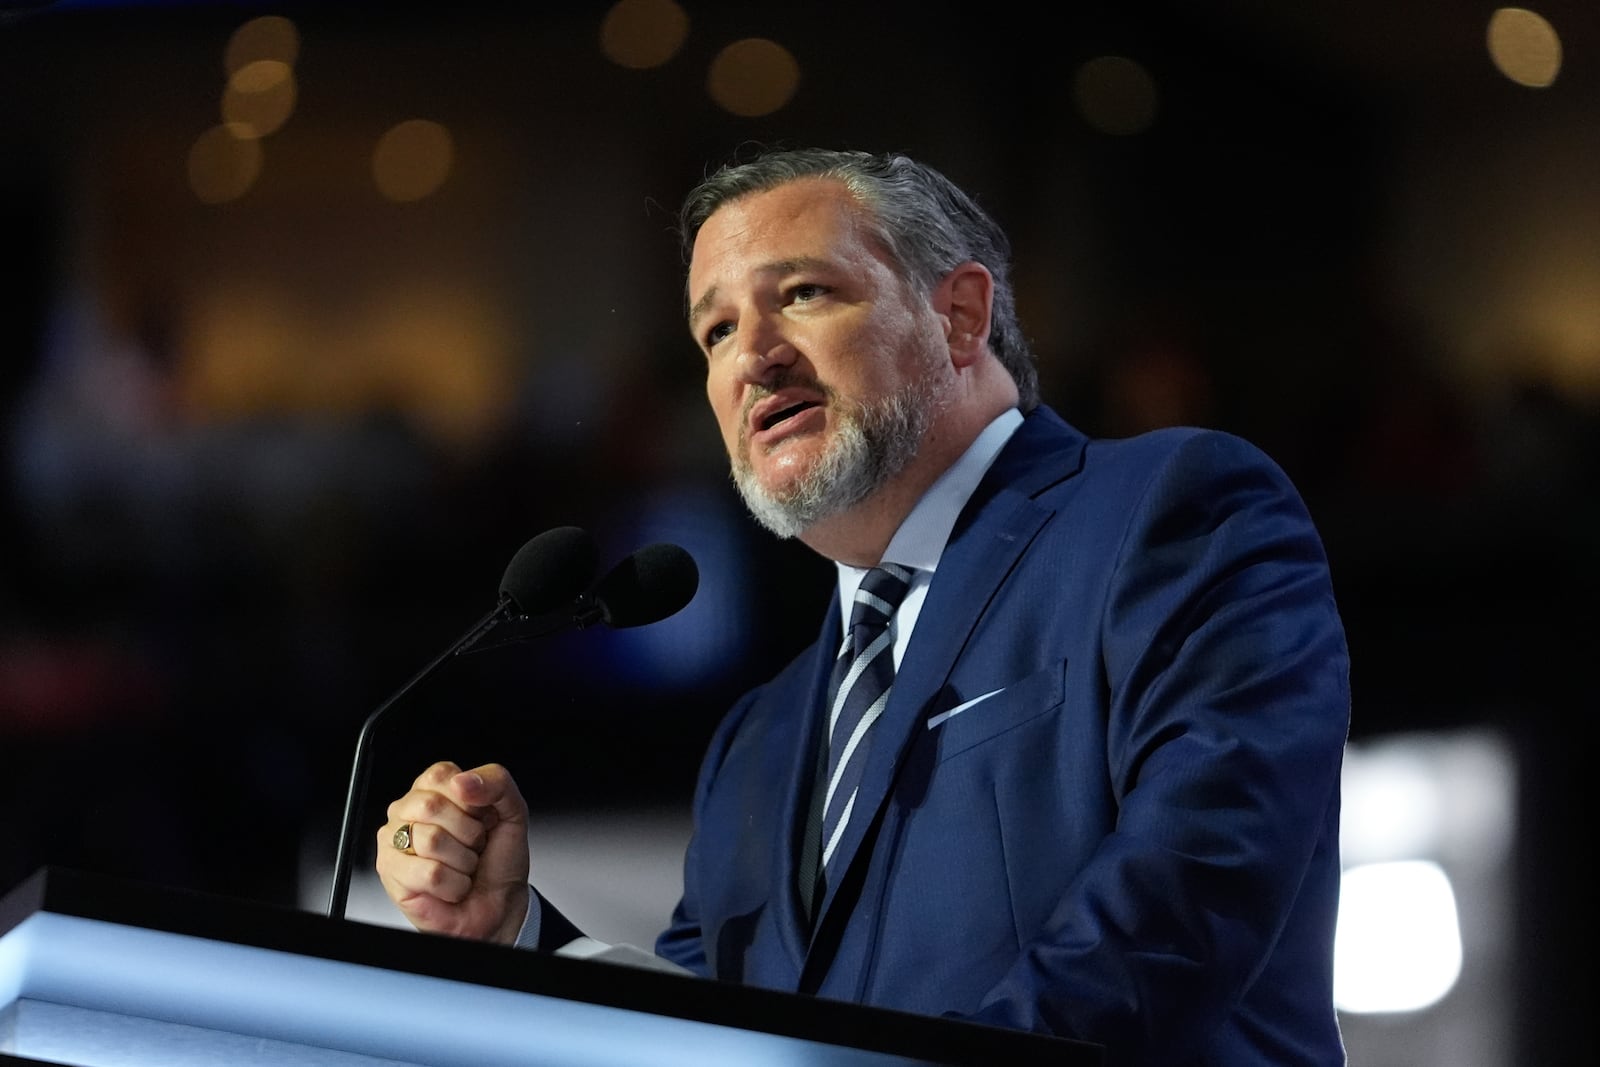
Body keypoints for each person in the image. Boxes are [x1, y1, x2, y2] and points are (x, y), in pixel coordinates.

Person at [374, 146, 1351, 1067]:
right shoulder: (757, 740)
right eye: (714, 330)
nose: (752, 356)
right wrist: (516, 933)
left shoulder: (1169, 512)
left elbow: (1186, 893)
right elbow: (713, 1035)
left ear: (961, 315)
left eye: (801, 293)